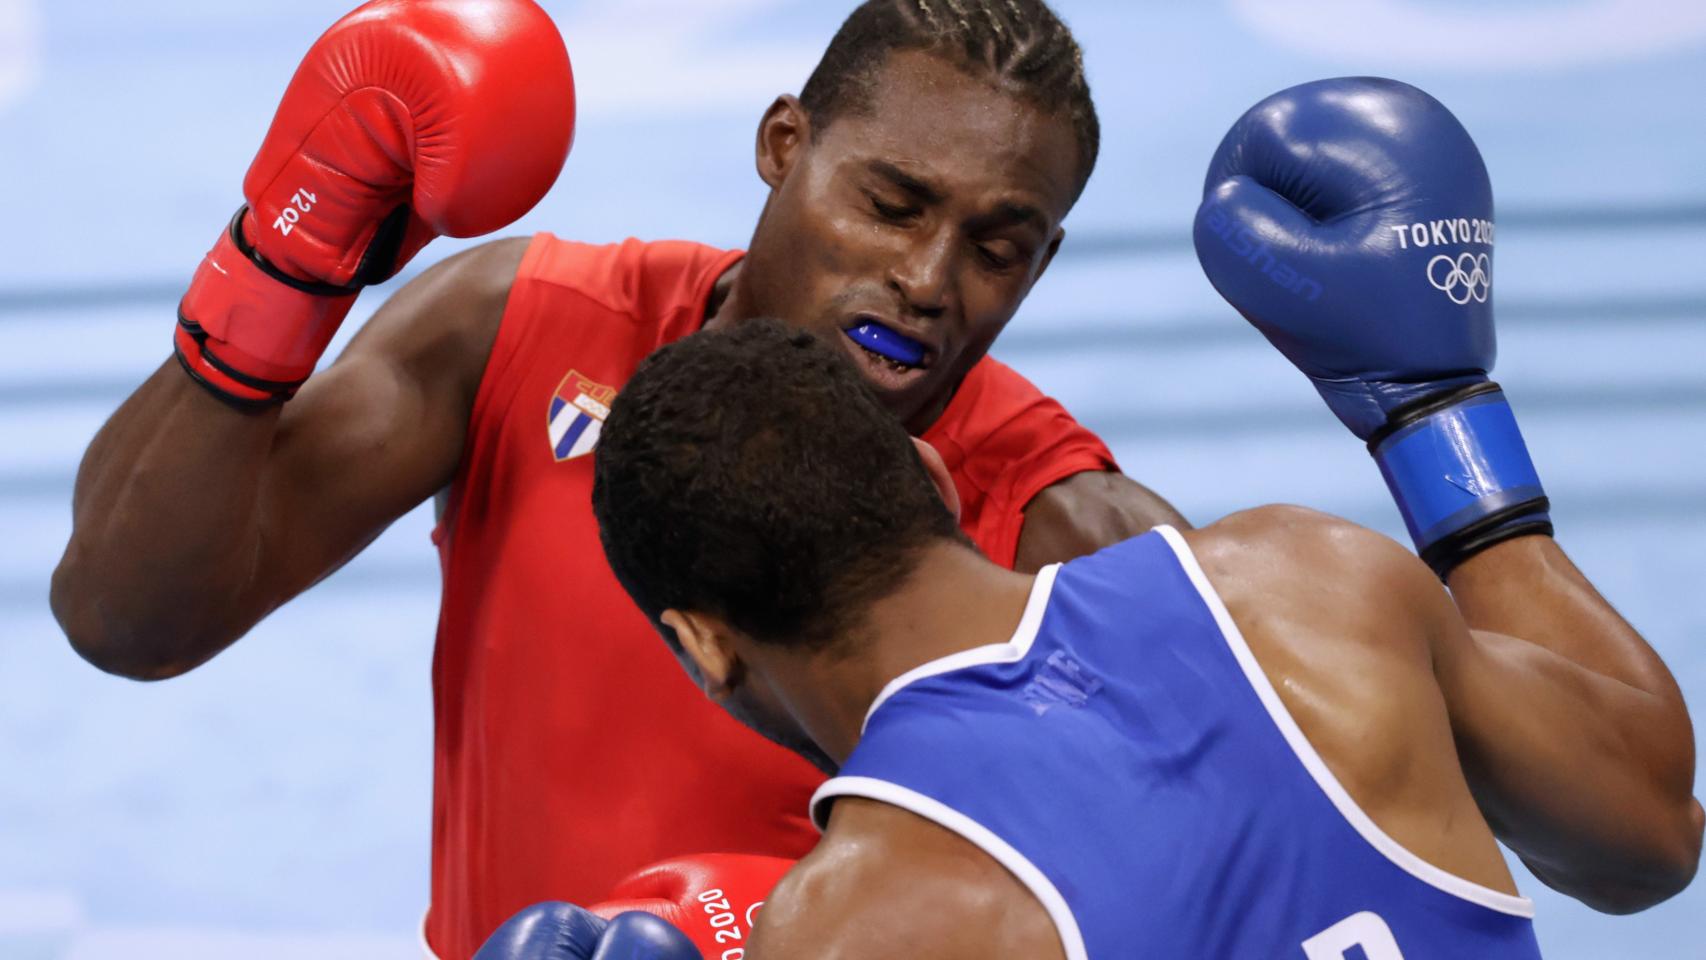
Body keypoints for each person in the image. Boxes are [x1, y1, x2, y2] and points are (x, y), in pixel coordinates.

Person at [49, 2, 1186, 955]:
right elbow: (124, 617)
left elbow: (1229, 881)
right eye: (890, 205)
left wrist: (785, 931)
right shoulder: (519, 330)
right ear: (782, 144)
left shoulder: (1067, 536)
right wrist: (283, 263)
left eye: (997, 250)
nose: (927, 279)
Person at [480, 78, 1703, 959]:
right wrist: (1435, 415)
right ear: (936, 481)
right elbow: (1651, 834)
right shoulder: (1307, 584)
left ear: (702, 643)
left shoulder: (862, 921)